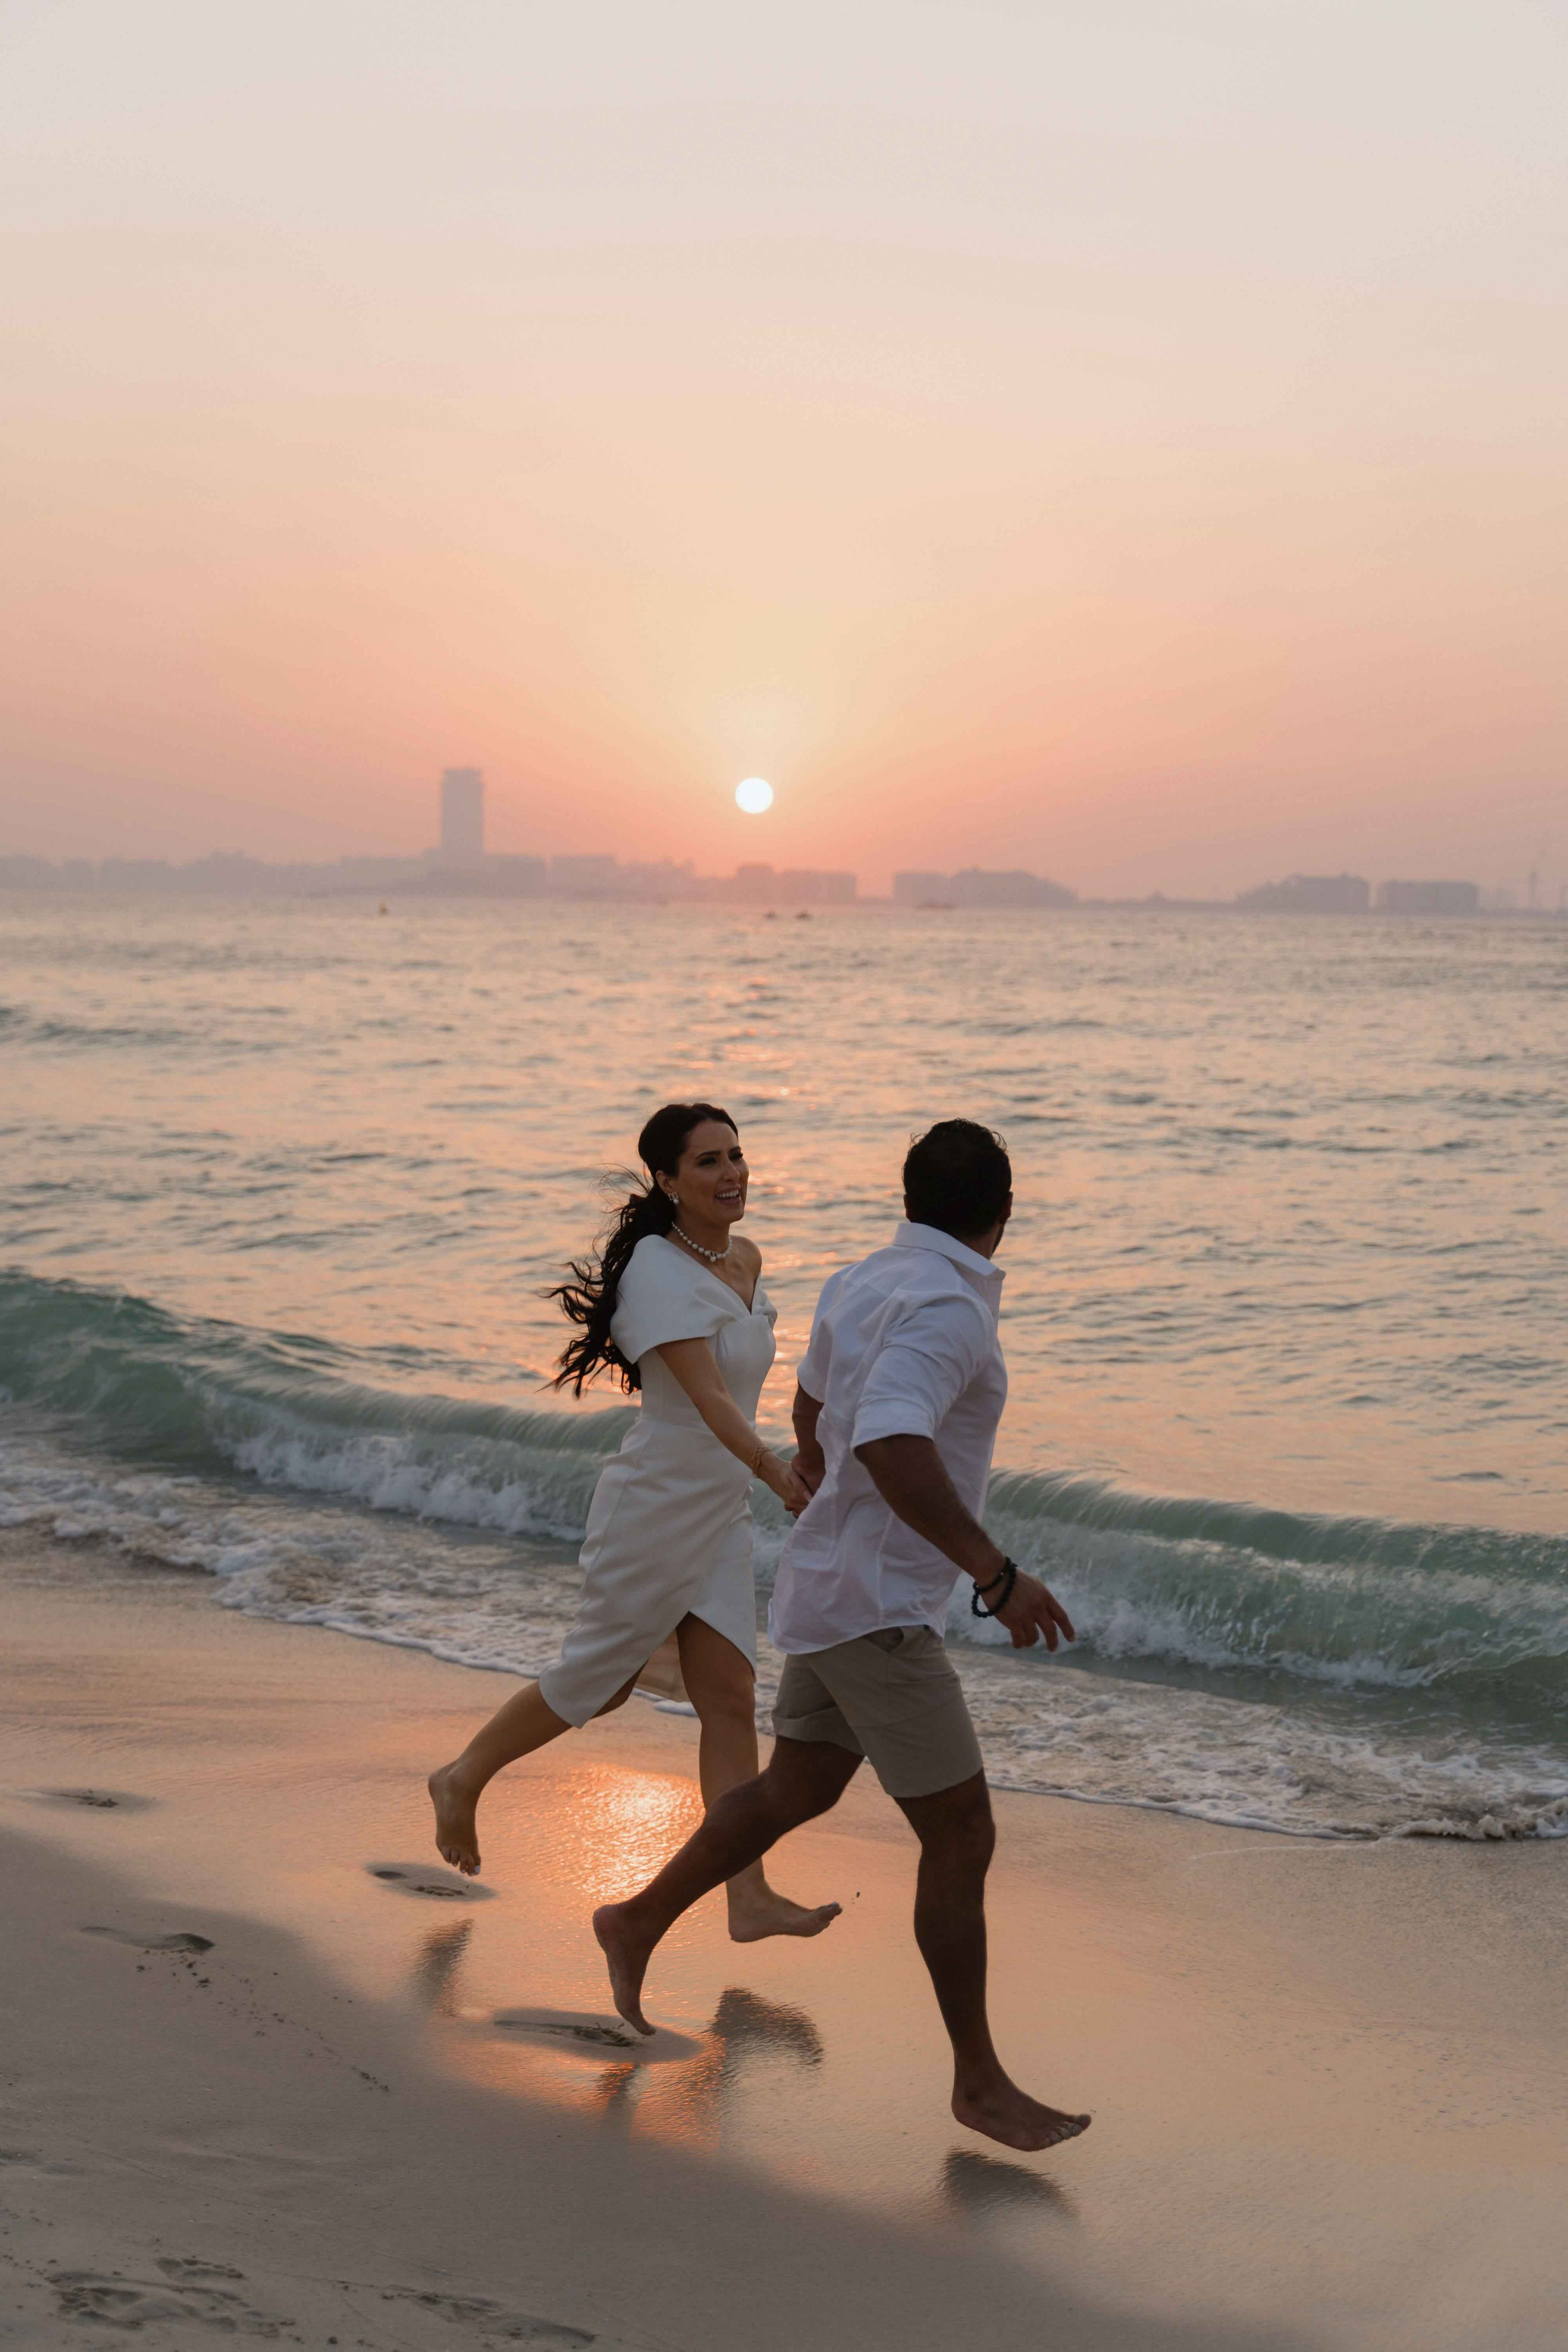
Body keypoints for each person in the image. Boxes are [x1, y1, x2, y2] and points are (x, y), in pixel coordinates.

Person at [592, 1119, 1090, 2154]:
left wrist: (826, 1496)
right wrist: (993, 1575)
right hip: (873, 1611)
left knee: (800, 1787)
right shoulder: (952, 1308)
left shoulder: (863, 1279)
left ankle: (635, 1919)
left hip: (828, 1584)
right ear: (1002, 1215)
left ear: (911, 1200)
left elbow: (816, 1402)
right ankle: (979, 2083)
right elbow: (894, 1439)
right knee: (961, 1834)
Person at [428, 1102, 839, 1945]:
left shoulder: (746, 1259)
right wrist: (772, 1472)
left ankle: (748, 1894)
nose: (732, 1173)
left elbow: (754, 1387)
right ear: (666, 1179)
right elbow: (707, 1395)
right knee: (599, 1680)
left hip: (718, 1508)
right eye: (708, 1163)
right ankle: (462, 1778)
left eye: (737, 1155)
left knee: (730, 1696)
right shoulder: (656, 1268)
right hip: (656, 1505)